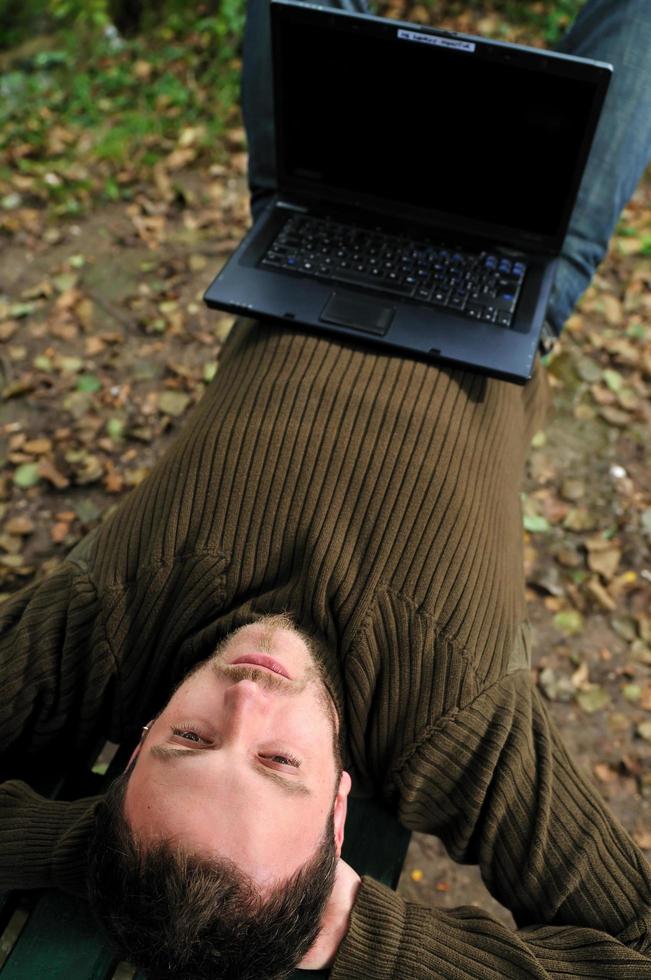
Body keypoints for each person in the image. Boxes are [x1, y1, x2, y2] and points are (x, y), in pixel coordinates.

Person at [1, 0, 650, 977]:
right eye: (277, 764)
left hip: (314, 215)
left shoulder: (107, 622)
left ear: (132, 750)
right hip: (514, 266)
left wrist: (89, 850)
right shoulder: (453, 721)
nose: (245, 699)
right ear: (340, 809)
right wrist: (364, 936)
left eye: (186, 738)